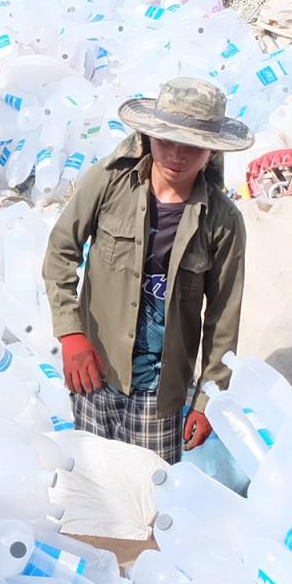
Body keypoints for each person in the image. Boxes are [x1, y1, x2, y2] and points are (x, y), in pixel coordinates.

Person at [43, 78, 249, 463]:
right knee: (94, 484)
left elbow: (223, 318)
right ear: (149, 136)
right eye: (166, 140)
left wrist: (208, 399)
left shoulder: (222, 221)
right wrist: (70, 334)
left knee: (147, 499)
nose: (175, 155)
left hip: (160, 392)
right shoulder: (108, 182)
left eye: (192, 146)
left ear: (211, 152)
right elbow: (61, 251)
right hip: (95, 371)